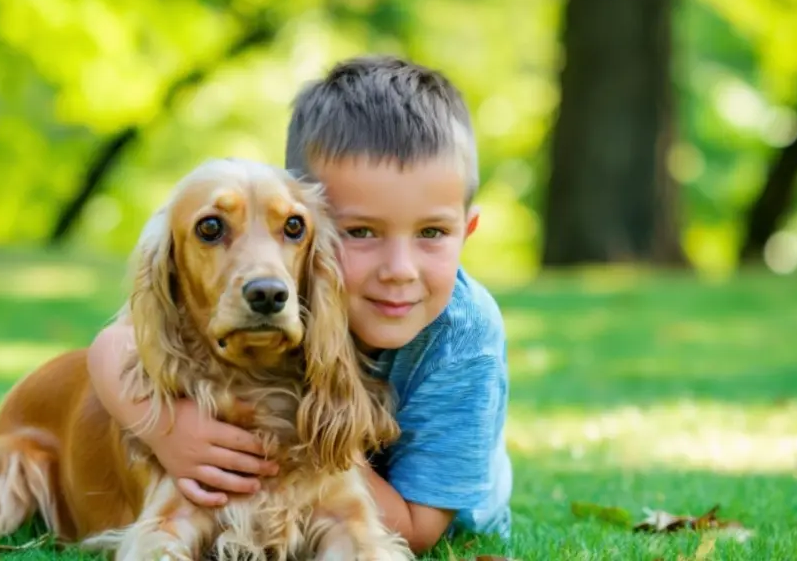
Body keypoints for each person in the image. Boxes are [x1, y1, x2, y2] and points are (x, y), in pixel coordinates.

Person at [86, 55, 512, 554]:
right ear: (320, 239)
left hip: (426, 512)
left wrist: (304, 449)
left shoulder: (465, 340)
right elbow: (112, 344)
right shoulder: (303, 290)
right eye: (360, 232)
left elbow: (416, 530)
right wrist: (167, 430)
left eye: (432, 233)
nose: (400, 269)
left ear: (468, 231)